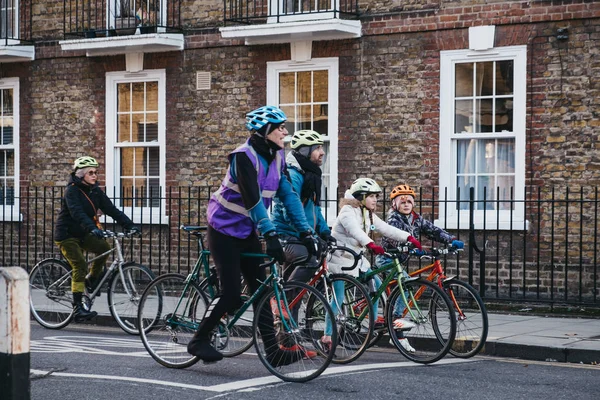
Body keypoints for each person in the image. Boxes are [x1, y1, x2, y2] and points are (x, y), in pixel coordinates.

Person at [187, 105, 321, 365]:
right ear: (265, 131)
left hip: (247, 230)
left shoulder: (278, 157)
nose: (285, 132)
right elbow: (252, 199)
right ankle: (198, 340)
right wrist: (270, 234)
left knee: (261, 291)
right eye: (280, 127)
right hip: (223, 230)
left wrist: (306, 232)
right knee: (232, 294)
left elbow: (289, 196)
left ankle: (273, 352)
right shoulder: (243, 156)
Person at [322, 177, 422, 349]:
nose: (376, 199)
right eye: (372, 196)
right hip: (339, 260)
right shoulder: (347, 211)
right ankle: (327, 336)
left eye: (376, 196)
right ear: (361, 197)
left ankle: (374, 322)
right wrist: (370, 244)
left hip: (357, 260)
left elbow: (386, 228)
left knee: (375, 286)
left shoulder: (367, 213)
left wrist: (409, 237)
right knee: (338, 297)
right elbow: (354, 230)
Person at [378, 184, 464, 350]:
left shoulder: (416, 220)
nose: (406, 204)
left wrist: (451, 239)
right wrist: (412, 248)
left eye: (409, 201)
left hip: (399, 261)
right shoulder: (394, 220)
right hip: (387, 260)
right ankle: (397, 328)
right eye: (402, 202)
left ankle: (394, 319)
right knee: (407, 283)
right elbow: (395, 237)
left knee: (403, 286)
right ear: (394, 205)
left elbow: (433, 231)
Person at [54, 156, 139, 322]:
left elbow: (112, 210)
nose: (94, 176)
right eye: (90, 173)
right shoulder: (72, 191)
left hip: (84, 233)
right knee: (79, 266)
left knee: (104, 248)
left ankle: (92, 280)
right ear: (81, 175)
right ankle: (78, 307)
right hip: (67, 235)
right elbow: (76, 213)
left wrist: (130, 225)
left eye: (95, 172)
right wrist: (92, 228)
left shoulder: (95, 191)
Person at [271, 129, 334, 285]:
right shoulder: (294, 175)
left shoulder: (310, 175)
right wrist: (310, 235)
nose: (322, 152)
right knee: (310, 260)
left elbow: (314, 209)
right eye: (317, 148)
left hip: (299, 235)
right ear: (305, 151)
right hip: (287, 235)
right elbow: (290, 213)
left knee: (291, 283)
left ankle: (284, 305)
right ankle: (282, 301)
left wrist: (325, 232)